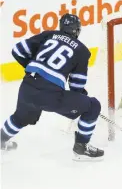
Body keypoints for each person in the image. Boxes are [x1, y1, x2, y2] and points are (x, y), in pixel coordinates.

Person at [1, 13, 104, 161]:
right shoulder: (82, 50)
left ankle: (1, 140)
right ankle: (81, 147)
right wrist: (82, 97)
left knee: (20, 117)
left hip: (28, 86)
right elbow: (77, 84)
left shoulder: (49, 35)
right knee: (93, 105)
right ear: (77, 30)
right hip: (50, 95)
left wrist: (34, 66)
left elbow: (17, 50)